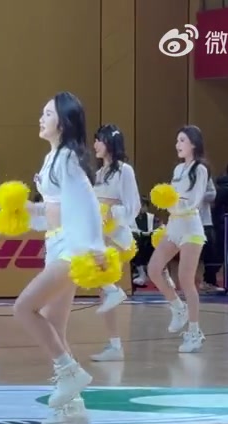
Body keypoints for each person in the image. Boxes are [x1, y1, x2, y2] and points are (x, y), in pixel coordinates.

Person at [15, 92, 104, 424]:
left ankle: (70, 372)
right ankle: (74, 410)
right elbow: (55, 208)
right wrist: (27, 210)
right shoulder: (52, 157)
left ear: (63, 123)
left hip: (72, 248)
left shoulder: (67, 158)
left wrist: (94, 247)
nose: (41, 118)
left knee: (24, 308)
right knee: (55, 324)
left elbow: (88, 203)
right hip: (55, 244)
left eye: (48, 113)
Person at [147, 125, 209, 354]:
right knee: (154, 269)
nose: (177, 145)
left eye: (182, 140)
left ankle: (194, 332)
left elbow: (194, 201)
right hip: (174, 226)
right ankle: (177, 307)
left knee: (186, 279)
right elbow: (173, 199)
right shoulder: (178, 169)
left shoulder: (200, 169)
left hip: (191, 227)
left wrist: (173, 202)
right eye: (177, 140)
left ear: (193, 143)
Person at [89, 125, 141, 362]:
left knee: (104, 283)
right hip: (101, 237)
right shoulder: (100, 173)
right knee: (103, 288)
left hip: (117, 238)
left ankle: (115, 345)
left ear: (109, 142)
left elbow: (134, 206)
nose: (95, 145)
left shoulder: (124, 170)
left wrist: (112, 212)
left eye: (98, 140)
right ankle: (114, 345)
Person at [199, 177, 223, 292]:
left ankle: (209, 281)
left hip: (206, 222)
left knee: (211, 253)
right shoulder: (181, 173)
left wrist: (198, 194)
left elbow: (212, 194)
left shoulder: (205, 174)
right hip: (187, 221)